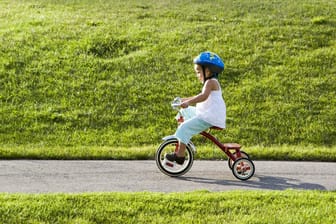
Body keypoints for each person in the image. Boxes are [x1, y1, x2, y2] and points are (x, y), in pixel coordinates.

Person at [166, 51, 226, 165]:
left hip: (209, 117)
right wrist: (184, 100)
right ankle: (183, 138)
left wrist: (188, 102)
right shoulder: (210, 82)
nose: (197, 75)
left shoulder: (210, 82)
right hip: (206, 113)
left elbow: (202, 97)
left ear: (207, 71)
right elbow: (199, 96)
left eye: (198, 72)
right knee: (184, 111)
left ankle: (180, 155)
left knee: (184, 128)